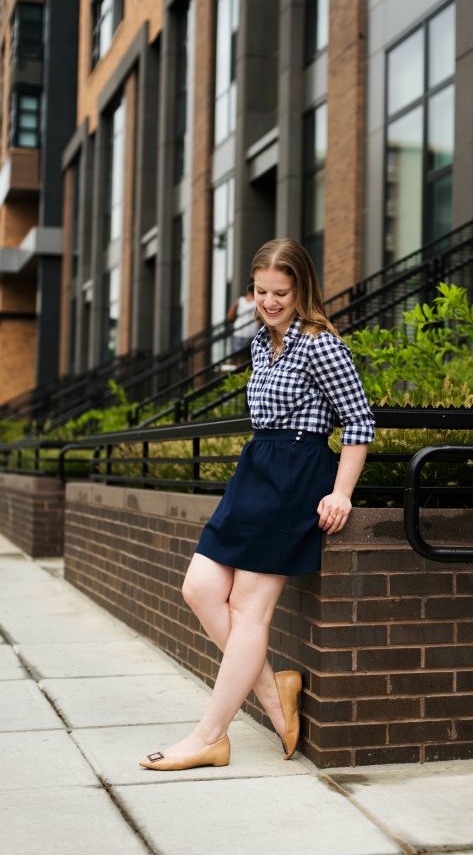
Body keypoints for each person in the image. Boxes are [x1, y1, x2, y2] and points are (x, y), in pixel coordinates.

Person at [139, 238, 375, 771]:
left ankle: (210, 735)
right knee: (198, 588)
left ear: (302, 290)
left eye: (281, 293)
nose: (270, 302)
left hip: (297, 474)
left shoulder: (321, 345)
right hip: (256, 470)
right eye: (261, 292)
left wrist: (340, 492)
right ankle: (273, 692)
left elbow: (359, 421)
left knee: (249, 611)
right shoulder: (259, 344)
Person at [226, 286, 257, 361]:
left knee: (243, 357)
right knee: (245, 357)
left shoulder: (241, 301)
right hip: (245, 332)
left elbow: (229, 316)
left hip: (247, 332)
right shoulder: (241, 301)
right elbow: (230, 316)